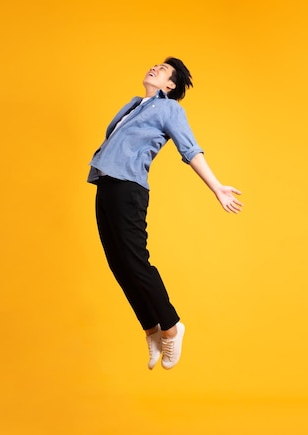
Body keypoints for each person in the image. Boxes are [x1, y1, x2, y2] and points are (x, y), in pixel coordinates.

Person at [87, 57, 243, 370]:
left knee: (134, 261)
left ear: (170, 86)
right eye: (154, 65)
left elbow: (190, 149)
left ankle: (171, 326)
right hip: (106, 184)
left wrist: (216, 187)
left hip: (128, 188)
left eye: (163, 70)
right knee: (118, 264)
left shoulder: (169, 109)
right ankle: (152, 330)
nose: (154, 68)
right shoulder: (134, 105)